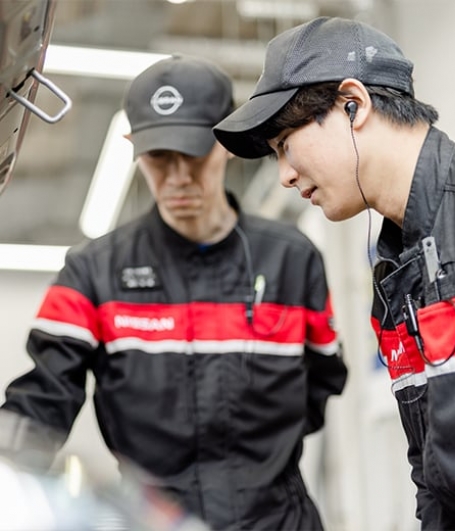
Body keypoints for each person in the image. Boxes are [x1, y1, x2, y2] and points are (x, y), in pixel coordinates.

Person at [0, 53, 348, 531]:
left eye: (193, 153)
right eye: (159, 158)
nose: (178, 176)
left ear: (226, 144)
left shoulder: (292, 260)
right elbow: (42, 402)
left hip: (278, 521)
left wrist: (258, 468)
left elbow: (323, 381)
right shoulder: (93, 273)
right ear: (133, 148)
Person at [213, 15, 455, 531]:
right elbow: (432, 475)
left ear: (354, 104)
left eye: (285, 145)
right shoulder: (394, 279)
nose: (284, 175)